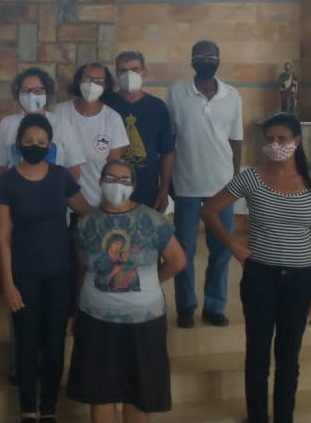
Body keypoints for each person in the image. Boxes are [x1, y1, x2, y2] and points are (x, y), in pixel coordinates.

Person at [201, 112, 311, 423]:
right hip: (261, 276)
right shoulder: (252, 177)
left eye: (282, 139)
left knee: (288, 357)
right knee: (258, 354)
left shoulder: (309, 180)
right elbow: (209, 210)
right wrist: (233, 244)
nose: (275, 145)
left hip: (301, 278)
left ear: (296, 141)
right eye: (270, 139)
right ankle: (257, 417)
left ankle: (284, 417)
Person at [67, 159, 185, 423]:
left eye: (123, 180)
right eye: (110, 178)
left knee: (138, 394)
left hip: (144, 321)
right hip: (96, 319)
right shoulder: (86, 224)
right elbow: (82, 268)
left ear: (134, 186)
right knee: (100, 394)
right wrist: (74, 312)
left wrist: (150, 280)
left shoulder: (152, 220)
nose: (117, 185)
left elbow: (177, 261)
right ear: (100, 182)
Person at [0, 114, 92, 423]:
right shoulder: (7, 181)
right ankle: (27, 409)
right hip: (24, 275)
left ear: (50, 145)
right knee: (26, 342)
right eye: (28, 141)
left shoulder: (61, 176)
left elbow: (85, 210)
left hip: (60, 274)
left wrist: (120, 209)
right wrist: (8, 283)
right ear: (18, 144)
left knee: (54, 343)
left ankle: (49, 409)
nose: (34, 146)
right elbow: (2, 237)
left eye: (41, 142)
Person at [166, 40, 243, 328]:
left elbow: (236, 141)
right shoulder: (176, 93)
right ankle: (186, 307)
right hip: (186, 183)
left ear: (219, 60)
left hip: (222, 186)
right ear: (192, 60)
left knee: (221, 248)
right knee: (184, 248)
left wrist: (235, 180)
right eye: (200, 56)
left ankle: (214, 306)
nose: (206, 61)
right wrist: (168, 179)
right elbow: (169, 140)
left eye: (211, 57)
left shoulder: (232, 95)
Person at [104, 51, 175, 212]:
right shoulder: (106, 104)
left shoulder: (157, 107)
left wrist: (164, 189)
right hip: (112, 186)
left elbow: (167, 152)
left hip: (148, 189)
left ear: (144, 72)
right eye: (123, 70)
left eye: (134, 70)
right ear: (117, 73)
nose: (129, 75)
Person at [0, 67, 85, 184]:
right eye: (25, 91)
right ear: (18, 94)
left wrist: (56, 190)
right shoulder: (7, 125)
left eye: (38, 91)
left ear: (47, 93)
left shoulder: (62, 124)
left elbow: (74, 171)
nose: (31, 96)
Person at [55, 62, 129, 207]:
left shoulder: (112, 118)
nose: (92, 85)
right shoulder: (59, 113)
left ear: (105, 86)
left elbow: (113, 166)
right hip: (62, 202)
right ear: (79, 81)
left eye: (98, 81)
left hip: (98, 203)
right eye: (87, 79)